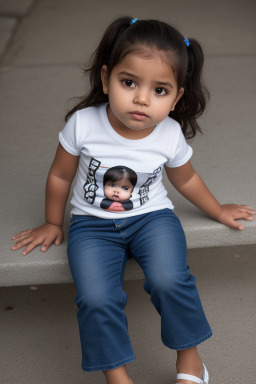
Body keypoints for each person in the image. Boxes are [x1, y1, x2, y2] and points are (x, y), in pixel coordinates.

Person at [11, 17, 255, 384]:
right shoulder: (83, 124)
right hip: (91, 226)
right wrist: (51, 221)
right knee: (95, 299)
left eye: (160, 90)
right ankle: (117, 377)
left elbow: (185, 178)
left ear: (177, 98)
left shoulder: (168, 133)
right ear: (106, 79)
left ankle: (190, 360)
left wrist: (218, 210)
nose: (142, 98)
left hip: (151, 219)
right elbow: (60, 175)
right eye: (129, 83)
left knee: (170, 279)